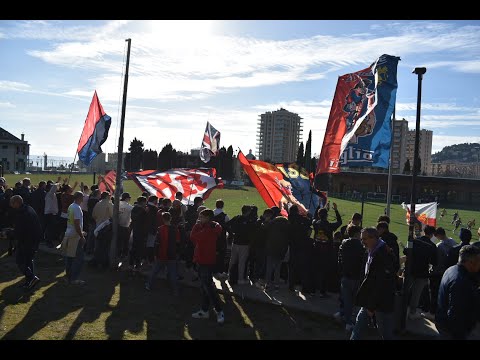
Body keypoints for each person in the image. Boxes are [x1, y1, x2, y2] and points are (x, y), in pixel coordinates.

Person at [350, 227, 396, 340]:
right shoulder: (374, 251)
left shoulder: (381, 254)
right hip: (371, 300)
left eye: (364, 239)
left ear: (374, 238)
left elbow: (380, 283)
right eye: (361, 239)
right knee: (359, 327)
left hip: (380, 302)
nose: (362, 242)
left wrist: (371, 306)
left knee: (385, 332)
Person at [435, 245, 480, 339]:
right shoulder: (461, 281)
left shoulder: (451, 269)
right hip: (453, 331)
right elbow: (455, 314)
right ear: (470, 262)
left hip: (443, 323)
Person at [190, 209, 224, 324]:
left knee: (209, 288)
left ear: (208, 218)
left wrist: (196, 225)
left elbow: (193, 237)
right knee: (205, 287)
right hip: (201, 259)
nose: (200, 219)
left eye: (202, 217)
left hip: (206, 261)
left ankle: (219, 310)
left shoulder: (209, 229)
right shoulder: (209, 227)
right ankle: (204, 310)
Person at [309, 202, 342, 297]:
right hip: (327, 252)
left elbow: (314, 217)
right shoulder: (330, 225)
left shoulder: (315, 223)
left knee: (315, 271)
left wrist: (319, 206)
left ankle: (312, 290)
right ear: (326, 215)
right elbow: (339, 222)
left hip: (316, 250)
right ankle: (322, 292)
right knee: (324, 272)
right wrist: (336, 210)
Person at [10, 195, 42, 290]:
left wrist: (9, 234)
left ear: (17, 203)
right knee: (28, 260)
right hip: (34, 239)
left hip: (27, 241)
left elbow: (20, 231)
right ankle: (30, 282)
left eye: (12, 203)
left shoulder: (22, 213)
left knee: (20, 261)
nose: (11, 205)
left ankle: (32, 277)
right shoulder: (29, 208)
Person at [337, 225, 365, 332]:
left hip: (345, 275)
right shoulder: (360, 246)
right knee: (353, 301)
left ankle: (342, 314)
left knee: (346, 298)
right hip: (356, 276)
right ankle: (349, 322)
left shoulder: (343, 244)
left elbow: (339, 260)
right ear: (357, 234)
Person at [406, 225, 437, 320]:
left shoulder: (414, 241)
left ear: (424, 231)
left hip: (410, 269)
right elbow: (434, 261)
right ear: (432, 235)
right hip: (422, 272)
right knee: (416, 294)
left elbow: (405, 251)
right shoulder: (432, 246)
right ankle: (412, 312)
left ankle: (402, 309)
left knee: (405, 290)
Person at [145, 212, 180, 295]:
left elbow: (157, 243)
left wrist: (155, 253)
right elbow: (178, 242)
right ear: (170, 218)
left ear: (163, 219)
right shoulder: (175, 229)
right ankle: (175, 290)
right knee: (172, 273)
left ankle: (149, 285)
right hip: (172, 254)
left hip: (161, 254)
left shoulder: (160, 229)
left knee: (155, 271)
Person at [427, 227, 457, 320]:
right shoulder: (454, 242)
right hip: (450, 272)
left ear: (439, 235)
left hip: (439, 273)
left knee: (435, 293)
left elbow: (437, 262)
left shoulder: (439, 246)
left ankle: (432, 312)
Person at [60, 191, 86, 285]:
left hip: (69, 233)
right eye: (82, 197)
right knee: (78, 258)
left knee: (69, 257)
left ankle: (68, 277)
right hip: (75, 236)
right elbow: (77, 223)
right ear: (79, 198)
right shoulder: (77, 208)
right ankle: (74, 278)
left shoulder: (71, 206)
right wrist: (81, 236)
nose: (83, 199)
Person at [118, 192, 133, 259]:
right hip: (125, 226)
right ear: (127, 198)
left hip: (118, 225)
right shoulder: (129, 207)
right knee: (125, 242)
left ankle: (118, 254)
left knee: (118, 242)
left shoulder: (117, 204)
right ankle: (124, 255)